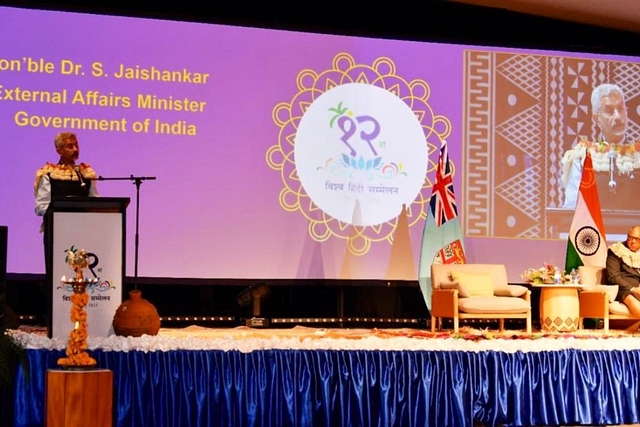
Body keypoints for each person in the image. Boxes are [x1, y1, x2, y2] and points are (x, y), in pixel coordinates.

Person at [561, 83, 637, 209]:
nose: (618, 116)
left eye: (621, 109)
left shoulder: (637, 157)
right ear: (596, 119)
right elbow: (571, 210)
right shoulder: (583, 158)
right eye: (609, 111)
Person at [606, 226, 640, 316]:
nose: (632, 242)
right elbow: (613, 276)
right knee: (630, 298)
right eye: (630, 237)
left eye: (636, 239)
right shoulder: (616, 250)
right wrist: (633, 289)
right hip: (622, 289)